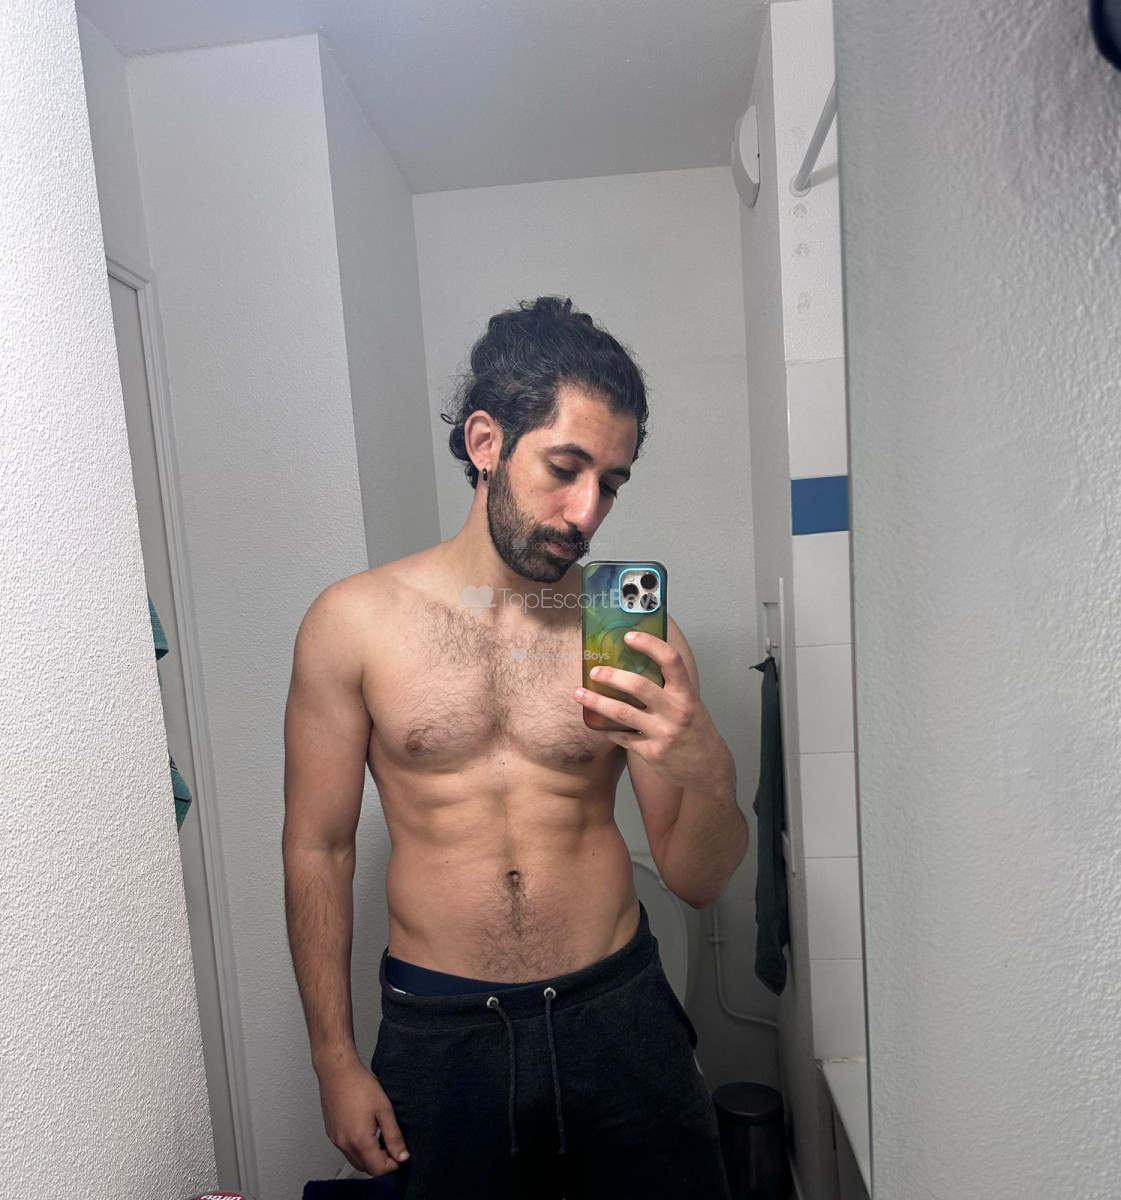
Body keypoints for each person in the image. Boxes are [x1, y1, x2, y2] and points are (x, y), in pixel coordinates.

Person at [282, 296, 748, 1199]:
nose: (585, 512)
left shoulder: (631, 635)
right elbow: (318, 847)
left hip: (619, 1015)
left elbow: (696, 879)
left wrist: (712, 773)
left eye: (610, 483)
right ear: (486, 441)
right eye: (565, 469)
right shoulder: (353, 624)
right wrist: (333, 1059)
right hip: (441, 1032)